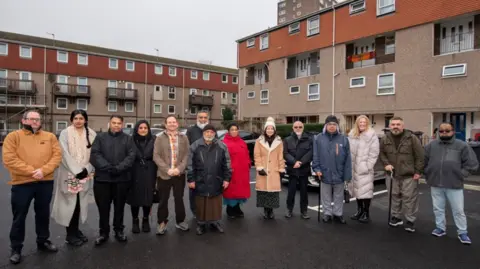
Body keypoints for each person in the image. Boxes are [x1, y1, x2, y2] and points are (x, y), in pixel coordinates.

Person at [2, 110, 62, 264]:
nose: (35, 121)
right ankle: (16, 248)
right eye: (31, 119)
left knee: (43, 213)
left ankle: (43, 241)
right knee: (19, 216)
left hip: (45, 182)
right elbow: (9, 159)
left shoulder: (50, 137)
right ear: (24, 120)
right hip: (22, 183)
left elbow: (57, 156)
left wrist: (44, 171)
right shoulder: (13, 137)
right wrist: (32, 171)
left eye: (37, 119)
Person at [424, 122, 478, 244]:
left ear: (453, 132)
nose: (444, 133)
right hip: (435, 183)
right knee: (438, 208)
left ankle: (462, 232)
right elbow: (424, 161)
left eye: (447, 131)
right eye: (441, 131)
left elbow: (472, 164)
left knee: (458, 210)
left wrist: (461, 174)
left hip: (454, 184)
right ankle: (440, 228)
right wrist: (428, 172)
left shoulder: (462, 146)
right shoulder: (431, 146)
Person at [51, 109, 96, 247]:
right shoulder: (65, 133)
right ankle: (70, 235)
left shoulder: (92, 134)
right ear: (71, 120)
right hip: (70, 173)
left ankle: (75, 231)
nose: (78, 121)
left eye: (81, 118)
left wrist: (87, 169)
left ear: (85, 120)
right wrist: (77, 170)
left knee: (79, 203)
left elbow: (95, 153)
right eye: (75, 118)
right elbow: (63, 153)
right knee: (69, 203)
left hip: (85, 174)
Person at [90, 115, 136, 245]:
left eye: (119, 123)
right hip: (103, 179)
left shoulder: (128, 139)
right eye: (114, 123)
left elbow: (131, 156)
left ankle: (119, 230)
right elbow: (95, 155)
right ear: (109, 123)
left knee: (119, 207)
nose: (116, 125)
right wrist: (109, 168)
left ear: (122, 124)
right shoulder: (100, 138)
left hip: (121, 179)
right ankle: (103, 233)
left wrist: (119, 168)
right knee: (103, 208)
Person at [379, 116, 424, 232]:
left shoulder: (411, 138)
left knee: (409, 199)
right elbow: (382, 153)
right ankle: (396, 217)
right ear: (390, 126)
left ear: (403, 126)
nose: (395, 127)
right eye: (393, 124)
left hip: (408, 175)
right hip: (392, 175)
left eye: (398, 124)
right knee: (394, 197)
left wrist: (418, 171)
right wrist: (386, 164)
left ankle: (410, 220)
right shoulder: (385, 138)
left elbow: (420, 156)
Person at [187, 124, 232, 235]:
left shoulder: (222, 146)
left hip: (216, 180)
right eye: (207, 132)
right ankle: (201, 224)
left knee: (215, 204)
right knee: (201, 203)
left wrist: (227, 179)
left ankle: (215, 222)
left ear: (214, 134)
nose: (209, 134)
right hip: (200, 180)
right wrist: (191, 179)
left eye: (211, 132)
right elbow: (190, 164)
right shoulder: (195, 146)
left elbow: (227, 163)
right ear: (203, 133)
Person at [153, 115, 190, 235]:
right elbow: (156, 156)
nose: (172, 124)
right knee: (163, 200)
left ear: (177, 124)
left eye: (174, 122)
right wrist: (167, 169)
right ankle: (162, 222)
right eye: (169, 122)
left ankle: (180, 221)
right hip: (164, 174)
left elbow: (186, 155)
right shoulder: (159, 138)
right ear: (165, 124)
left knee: (179, 199)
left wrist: (179, 169)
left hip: (179, 174)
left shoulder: (184, 137)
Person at [312, 115, 352, 224]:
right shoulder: (318, 138)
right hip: (324, 172)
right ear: (326, 126)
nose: (332, 126)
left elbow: (348, 158)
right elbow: (315, 156)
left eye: (334, 124)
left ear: (337, 126)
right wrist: (317, 169)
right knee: (325, 195)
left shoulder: (343, 139)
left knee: (339, 195)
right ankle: (327, 213)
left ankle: (338, 214)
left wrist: (347, 175)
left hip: (339, 173)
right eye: (329, 124)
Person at [347, 115, 379, 223]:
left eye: (364, 122)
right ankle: (359, 211)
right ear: (357, 123)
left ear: (367, 123)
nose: (362, 124)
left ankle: (366, 212)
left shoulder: (371, 135)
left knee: (366, 192)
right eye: (360, 122)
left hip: (365, 169)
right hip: (354, 168)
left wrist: (367, 166)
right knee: (357, 191)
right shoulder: (352, 134)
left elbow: (374, 152)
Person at [127, 120, 157, 234]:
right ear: (136, 129)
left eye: (145, 128)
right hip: (134, 170)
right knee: (135, 196)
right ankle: (135, 221)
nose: (143, 130)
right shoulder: (131, 140)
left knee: (147, 196)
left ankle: (145, 220)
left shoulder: (154, 139)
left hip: (150, 170)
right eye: (140, 128)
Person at [254, 117, 285, 219]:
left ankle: (270, 211)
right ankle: (265, 210)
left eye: (272, 128)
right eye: (268, 128)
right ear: (265, 129)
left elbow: (280, 156)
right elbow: (257, 155)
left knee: (272, 192)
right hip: (263, 169)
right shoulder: (259, 141)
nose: (270, 130)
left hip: (274, 170)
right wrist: (259, 167)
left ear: (274, 130)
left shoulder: (279, 141)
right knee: (263, 191)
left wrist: (281, 168)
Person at [283, 121, 313, 219]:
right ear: (293, 128)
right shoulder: (287, 140)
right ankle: (289, 210)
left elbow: (311, 152)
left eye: (300, 127)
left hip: (304, 170)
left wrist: (301, 162)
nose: (298, 128)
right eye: (296, 127)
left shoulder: (309, 139)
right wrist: (294, 162)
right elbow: (285, 153)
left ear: (303, 128)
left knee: (304, 192)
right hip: (292, 170)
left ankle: (304, 211)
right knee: (291, 192)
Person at [222, 123, 251, 218]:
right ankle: (230, 210)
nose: (234, 131)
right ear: (228, 131)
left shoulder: (242, 142)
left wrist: (248, 164)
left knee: (240, 191)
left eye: (236, 129)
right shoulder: (224, 143)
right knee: (231, 191)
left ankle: (237, 208)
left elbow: (247, 154)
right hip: (232, 172)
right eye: (232, 129)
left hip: (242, 172)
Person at [186, 110, 210, 216]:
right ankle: (195, 212)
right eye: (201, 117)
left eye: (205, 117)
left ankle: (207, 211)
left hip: (209, 167)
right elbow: (187, 150)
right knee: (194, 191)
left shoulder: (211, 130)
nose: (203, 119)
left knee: (208, 189)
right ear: (197, 118)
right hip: (194, 167)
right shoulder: (191, 131)